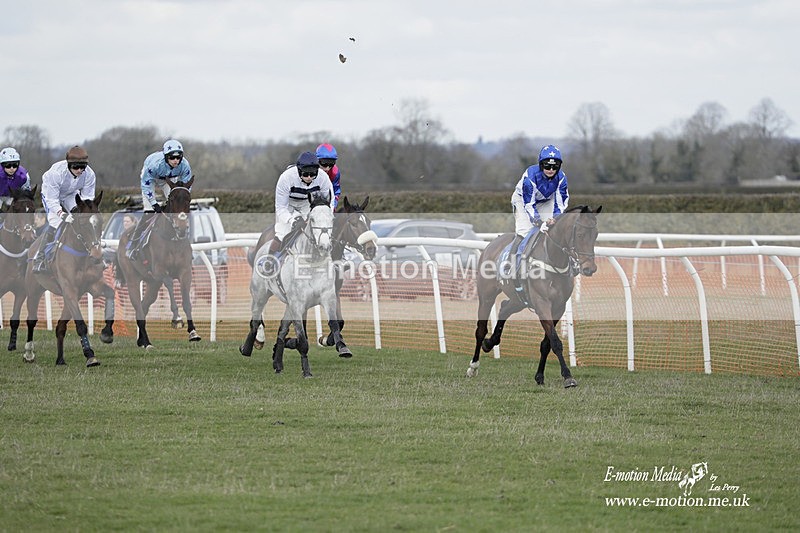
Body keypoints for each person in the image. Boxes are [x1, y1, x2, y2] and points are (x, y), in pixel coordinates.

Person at [257, 151, 335, 275]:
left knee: (320, 231)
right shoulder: (286, 178)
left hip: (307, 204)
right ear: (299, 171)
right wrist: (293, 220)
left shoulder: (323, 178)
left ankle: (331, 261)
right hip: (288, 205)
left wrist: (326, 217)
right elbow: (281, 208)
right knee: (282, 232)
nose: (309, 177)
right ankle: (269, 261)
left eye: (312, 174)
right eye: (305, 174)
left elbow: (330, 202)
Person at [32, 146, 96, 273]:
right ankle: (39, 257)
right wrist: (62, 215)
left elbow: (88, 198)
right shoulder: (55, 174)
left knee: (80, 218)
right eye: (75, 167)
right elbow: (53, 200)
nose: (79, 170)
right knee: (56, 222)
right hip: (51, 195)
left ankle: (92, 252)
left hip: (71, 194)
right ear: (68, 164)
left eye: (82, 167)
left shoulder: (90, 174)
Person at [126, 139, 193, 259]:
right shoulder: (155, 165)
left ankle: (182, 243)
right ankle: (133, 245)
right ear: (166, 157)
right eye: (172, 158)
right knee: (149, 212)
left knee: (176, 209)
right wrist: (153, 204)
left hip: (167, 180)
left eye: (178, 158)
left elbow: (186, 188)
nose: (176, 161)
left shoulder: (185, 166)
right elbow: (146, 185)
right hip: (150, 178)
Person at [510, 144, 570, 266]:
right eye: (547, 165)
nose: (551, 169)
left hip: (546, 201)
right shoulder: (530, 177)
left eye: (555, 166)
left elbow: (561, 202)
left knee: (553, 229)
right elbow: (529, 204)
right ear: (541, 164)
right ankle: (510, 264)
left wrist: (556, 219)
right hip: (523, 202)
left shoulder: (561, 178)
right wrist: (539, 222)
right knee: (524, 232)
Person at [0, 147, 32, 216]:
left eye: (15, 165)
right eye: (8, 165)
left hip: (12, 197)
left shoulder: (23, 176)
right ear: (2, 165)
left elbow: (26, 194)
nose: (12, 168)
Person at [315, 143, 342, 209]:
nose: (327, 168)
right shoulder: (310, 171)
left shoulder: (335, 172)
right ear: (317, 160)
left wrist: (333, 206)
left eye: (331, 164)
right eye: (324, 163)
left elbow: (336, 191)